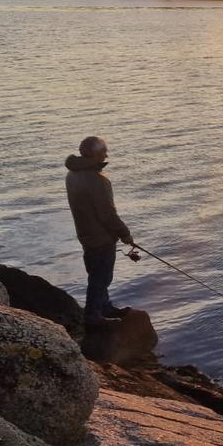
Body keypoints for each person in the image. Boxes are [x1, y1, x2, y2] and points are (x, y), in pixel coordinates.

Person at [65, 136, 134, 327]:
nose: (106, 154)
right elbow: (107, 214)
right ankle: (93, 316)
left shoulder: (72, 174)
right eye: (104, 151)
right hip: (101, 237)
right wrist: (124, 233)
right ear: (95, 154)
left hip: (85, 234)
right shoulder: (97, 180)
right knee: (101, 277)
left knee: (96, 273)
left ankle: (105, 307)